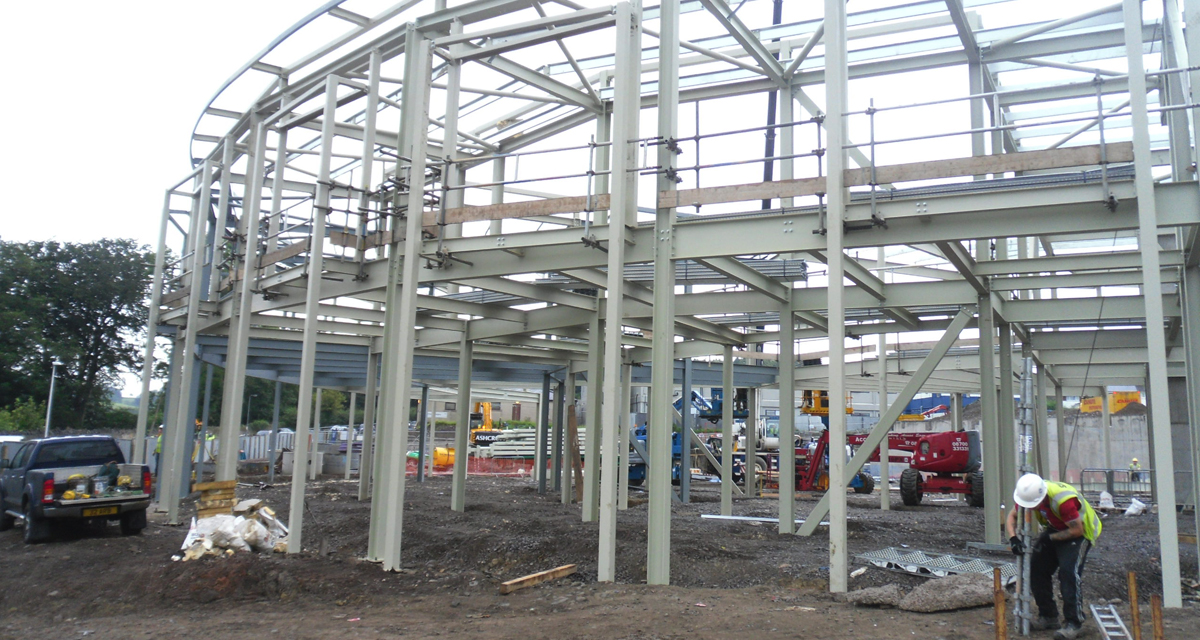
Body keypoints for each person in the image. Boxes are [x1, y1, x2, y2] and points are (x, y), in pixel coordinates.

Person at [1007, 473, 1102, 640]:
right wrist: (1013, 538)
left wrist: (1049, 539)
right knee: (1036, 569)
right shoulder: (1027, 496)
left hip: (1080, 533)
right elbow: (1011, 516)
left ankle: (1074, 622)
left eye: (1033, 505)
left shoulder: (1063, 501)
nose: (1031, 509)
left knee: (1068, 573)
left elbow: (1076, 530)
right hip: (1055, 529)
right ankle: (1049, 616)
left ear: (1042, 498)